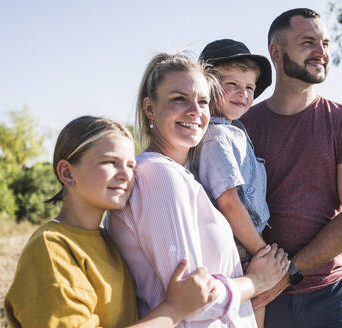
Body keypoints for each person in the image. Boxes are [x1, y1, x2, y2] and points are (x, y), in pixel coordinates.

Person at [106, 52, 289, 327]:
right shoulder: (158, 174)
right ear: (150, 108)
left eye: (203, 101)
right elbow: (193, 302)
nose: (195, 111)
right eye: (179, 98)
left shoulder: (182, 176)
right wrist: (257, 281)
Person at [4, 116, 218, 328]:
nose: (126, 174)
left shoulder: (109, 240)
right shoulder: (51, 249)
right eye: (110, 162)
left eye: (131, 165)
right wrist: (173, 309)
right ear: (67, 173)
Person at [240, 8, 342, 328]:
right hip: (262, 300)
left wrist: (288, 274)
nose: (322, 52)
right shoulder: (242, 127)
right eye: (308, 42)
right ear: (276, 52)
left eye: (326, 43)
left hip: (329, 294)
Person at [189, 39, 273, 328]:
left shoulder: (234, 131)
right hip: (240, 243)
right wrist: (262, 251)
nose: (243, 94)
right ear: (207, 86)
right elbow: (228, 201)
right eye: (232, 84)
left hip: (246, 238)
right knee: (252, 309)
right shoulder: (216, 135)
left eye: (249, 87)